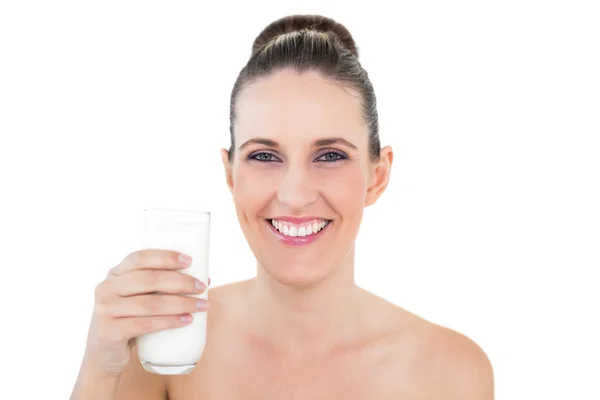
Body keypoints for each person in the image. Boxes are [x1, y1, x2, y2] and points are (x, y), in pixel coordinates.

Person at [70, 14, 494, 400]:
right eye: (265, 156)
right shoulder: (166, 347)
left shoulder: (451, 372)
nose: (294, 195)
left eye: (329, 155)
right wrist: (99, 370)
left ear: (378, 175)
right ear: (231, 174)